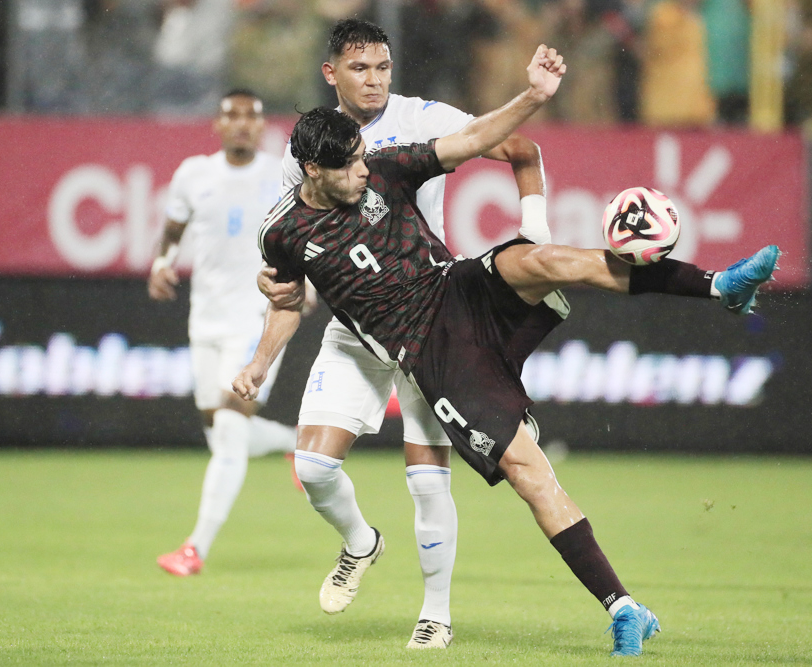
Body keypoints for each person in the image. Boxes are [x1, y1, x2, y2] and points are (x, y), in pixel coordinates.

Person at [234, 45, 780, 656]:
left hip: (458, 288)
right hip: (432, 357)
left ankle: (720, 286)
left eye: (364, 156)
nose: (364, 170)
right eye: (350, 165)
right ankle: (624, 607)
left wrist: (535, 96)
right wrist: (259, 362)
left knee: (545, 260)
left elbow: (473, 141)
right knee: (528, 472)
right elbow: (287, 300)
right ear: (312, 170)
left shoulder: (386, 166)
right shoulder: (281, 234)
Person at [258, 18, 551, 649]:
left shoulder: (423, 119)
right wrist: (279, 287)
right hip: (357, 326)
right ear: (330, 73)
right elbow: (300, 247)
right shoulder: (307, 147)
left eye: (383, 67)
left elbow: (518, 149)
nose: (375, 80)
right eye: (360, 68)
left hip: (430, 318)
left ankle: (435, 613)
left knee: (427, 479)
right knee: (313, 468)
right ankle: (360, 542)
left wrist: (535, 234)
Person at [149, 89, 301, 577]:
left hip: (257, 319)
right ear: (217, 124)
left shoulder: (282, 176)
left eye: (251, 116)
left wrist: (310, 281)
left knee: (231, 427)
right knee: (218, 432)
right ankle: (295, 441)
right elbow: (174, 228)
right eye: (232, 115)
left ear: (261, 126)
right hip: (206, 320)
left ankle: (195, 548)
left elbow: (308, 232)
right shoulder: (194, 174)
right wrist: (161, 262)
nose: (241, 124)